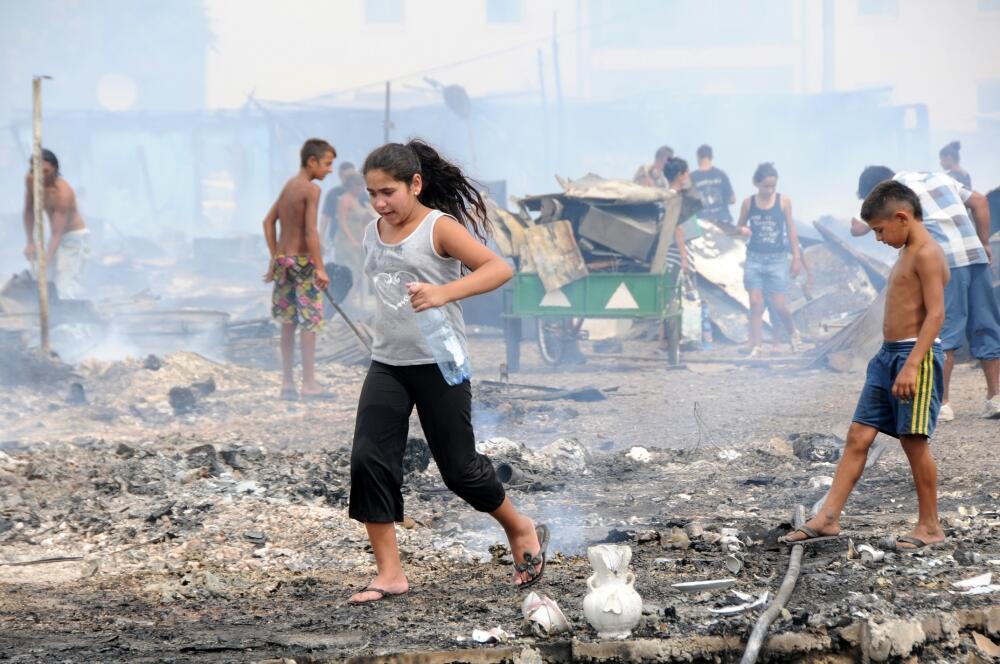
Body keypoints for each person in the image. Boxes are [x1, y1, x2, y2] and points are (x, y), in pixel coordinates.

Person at [348, 139, 547, 605]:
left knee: (459, 471)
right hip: (388, 363)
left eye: (389, 192)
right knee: (368, 460)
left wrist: (443, 293)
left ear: (415, 184)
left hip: (440, 363)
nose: (380, 203)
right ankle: (390, 573)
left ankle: (519, 528)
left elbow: (498, 269)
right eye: (372, 193)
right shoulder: (371, 232)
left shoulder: (440, 228)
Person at [785, 181, 949, 550]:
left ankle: (930, 526)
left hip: (914, 359)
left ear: (902, 217)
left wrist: (911, 365)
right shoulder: (905, 251)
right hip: (887, 355)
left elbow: (936, 315)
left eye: (880, 229)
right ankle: (828, 517)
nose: (877, 238)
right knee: (859, 434)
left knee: (913, 441)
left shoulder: (927, 253)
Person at [852, 166, 999, 419]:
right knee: (986, 326)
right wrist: (984, 242)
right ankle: (996, 397)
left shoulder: (894, 191)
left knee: (944, 329)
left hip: (942, 259)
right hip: (973, 254)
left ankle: (942, 403)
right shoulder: (937, 176)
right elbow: (980, 201)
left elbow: (857, 226)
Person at [262, 138, 334, 401]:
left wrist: (275, 257)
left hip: (283, 262)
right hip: (304, 263)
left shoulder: (289, 186)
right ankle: (309, 384)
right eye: (327, 164)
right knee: (310, 323)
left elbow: (268, 222)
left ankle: (287, 384)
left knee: (288, 322)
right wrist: (321, 268)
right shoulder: (311, 189)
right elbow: (310, 231)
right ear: (312, 161)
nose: (329, 170)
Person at [736, 163, 802, 356]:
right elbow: (738, 227)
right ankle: (756, 346)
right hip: (754, 258)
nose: (770, 190)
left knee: (779, 304)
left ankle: (792, 333)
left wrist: (796, 257)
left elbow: (791, 229)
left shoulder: (783, 201)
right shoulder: (748, 203)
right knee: (755, 303)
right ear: (756, 183)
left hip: (777, 259)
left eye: (773, 186)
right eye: (766, 186)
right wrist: (741, 230)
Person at [22, 149, 90, 299]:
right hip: (55, 238)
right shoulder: (31, 179)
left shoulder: (62, 192)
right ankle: (52, 318)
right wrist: (30, 242)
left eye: (45, 171)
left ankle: (74, 317)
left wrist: (46, 261)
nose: (40, 176)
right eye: (36, 170)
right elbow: (29, 210)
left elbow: (57, 233)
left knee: (64, 285)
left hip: (74, 239)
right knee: (46, 282)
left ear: (54, 168)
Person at [690, 144, 736, 232]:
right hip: (723, 223)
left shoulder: (692, 178)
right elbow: (733, 199)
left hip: (702, 225)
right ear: (711, 157)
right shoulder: (721, 174)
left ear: (698, 157)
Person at [319, 161, 357, 259]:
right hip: (336, 237)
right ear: (340, 176)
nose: (349, 179)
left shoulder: (361, 192)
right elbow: (325, 217)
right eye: (346, 176)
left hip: (357, 237)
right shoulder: (334, 193)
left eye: (351, 176)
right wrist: (321, 238)